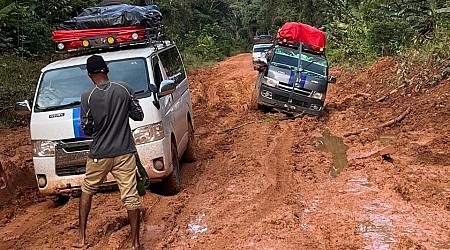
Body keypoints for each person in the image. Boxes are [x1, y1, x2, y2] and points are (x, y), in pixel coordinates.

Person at [73, 55, 144, 249]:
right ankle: (135, 243)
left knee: (87, 190)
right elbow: (138, 115)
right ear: (107, 70)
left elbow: (87, 128)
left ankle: (81, 238)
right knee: (130, 195)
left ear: (89, 75)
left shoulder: (87, 97)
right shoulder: (124, 89)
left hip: (99, 154)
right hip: (124, 152)